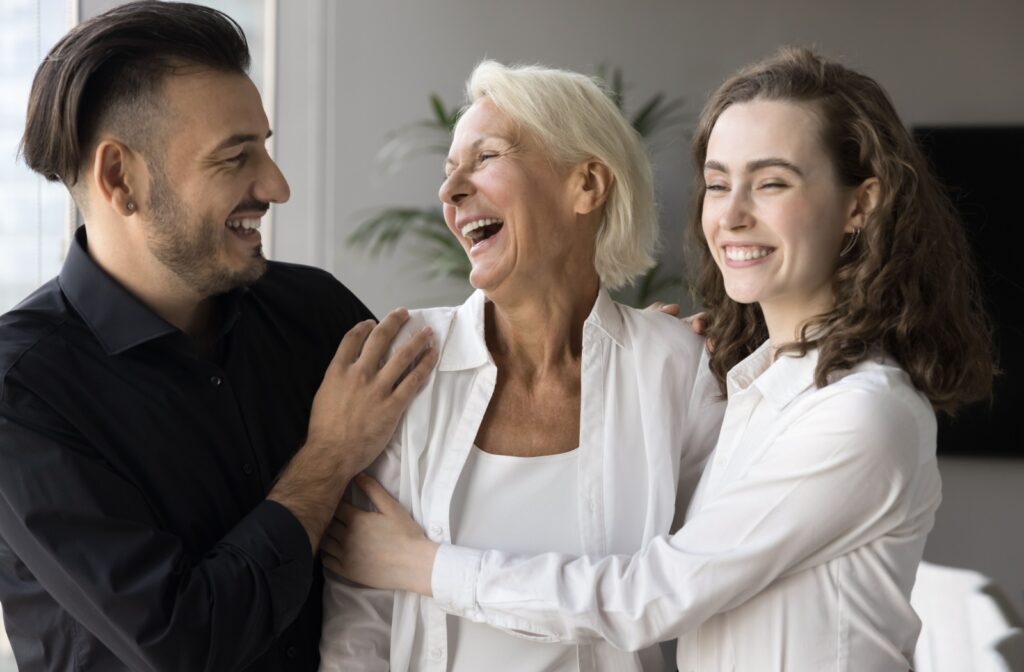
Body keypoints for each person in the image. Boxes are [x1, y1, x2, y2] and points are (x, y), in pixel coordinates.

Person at [325, 47, 996, 671]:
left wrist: (423, 565)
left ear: (860, 204)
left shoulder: (855, 413)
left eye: (771, 183)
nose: (731, 214)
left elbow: (654, 594)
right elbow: (358, 622)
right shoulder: (745, 383)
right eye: (717, 183)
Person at [0, 3, 436, 670]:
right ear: (120, 178)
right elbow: (184, 641)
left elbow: (453, 450)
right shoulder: (21, 392)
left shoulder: (313, 310)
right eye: (236, 157)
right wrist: (327, 457)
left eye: (264, 146)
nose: (276, 185)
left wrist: (613, 361)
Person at [317, 61, 724, 671]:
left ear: (586, 184)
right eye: (448, 169)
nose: (449, 192)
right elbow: (360, 616)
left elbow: (698, 593)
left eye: (484, 158)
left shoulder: (676, 371)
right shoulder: (406, 363)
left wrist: (429, 567)